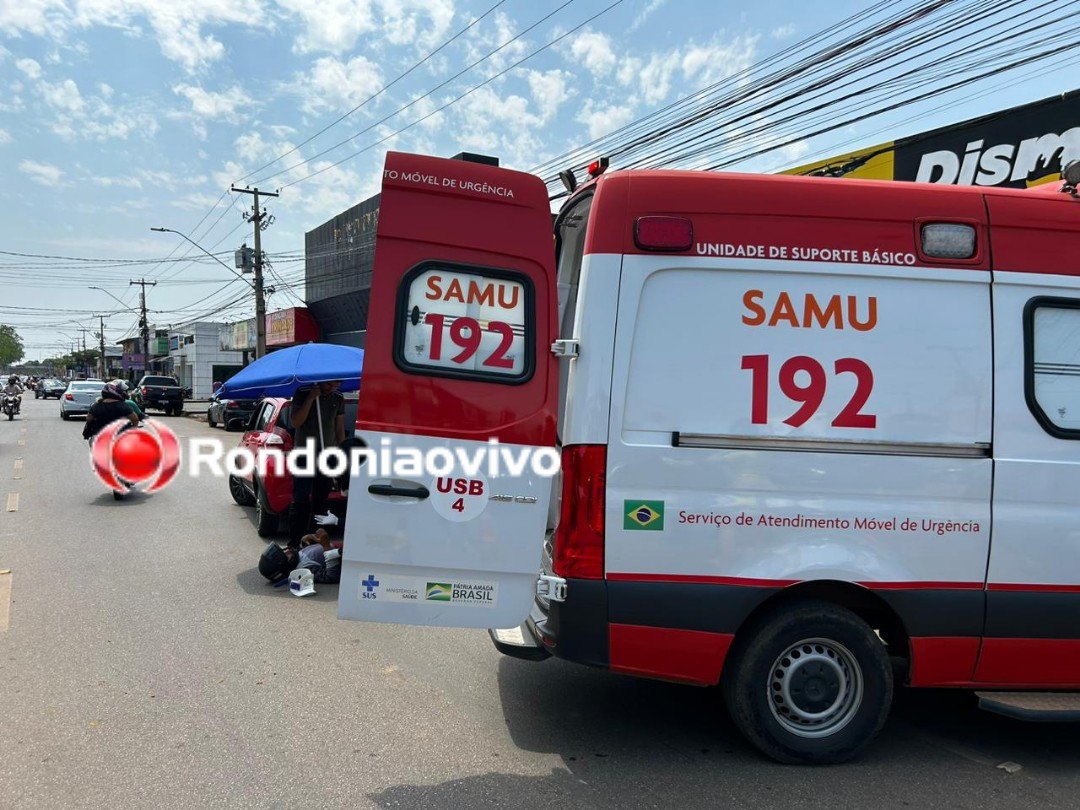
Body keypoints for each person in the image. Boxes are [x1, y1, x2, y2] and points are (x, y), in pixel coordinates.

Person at [288, 380, 345, 549]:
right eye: (330, 385)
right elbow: (296, 422)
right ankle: (294, 542)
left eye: (337, 385)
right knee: (301, 499)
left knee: (321, 501)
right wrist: (311, 398)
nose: (333, 388)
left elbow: (339, 429)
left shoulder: (338, 397)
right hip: (304, 454)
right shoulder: (303, 392)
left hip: (327, 455)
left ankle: (314, 542)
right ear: (321, 380)